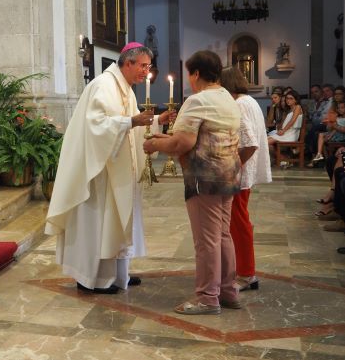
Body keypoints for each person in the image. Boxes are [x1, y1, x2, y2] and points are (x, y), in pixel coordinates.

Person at [45, 42, 173, 294]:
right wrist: (131, 121)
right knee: (98, 223)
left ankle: (117, 274)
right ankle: (92, 279)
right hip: (99, 174)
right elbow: (96, 126)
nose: (146, 71)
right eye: (143, 66)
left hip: (118, 171)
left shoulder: (126, 89)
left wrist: (158, 120)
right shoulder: (102, 85)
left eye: (148, 66)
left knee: (117, 221)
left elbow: (134, 125)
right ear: (128, 63)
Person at [143, 50, 241, 315]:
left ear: (196, 73)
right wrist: (165, 140)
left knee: (206, 240)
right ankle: (228, 291)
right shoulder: (228, 98)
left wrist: (154, 144)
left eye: (189, 74)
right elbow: (202, 137)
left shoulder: (198, 100)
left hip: (205, 177)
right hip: (229, 175)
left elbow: (183, 143)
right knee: (223, 235)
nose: (189, 79)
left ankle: (208, 297)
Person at [220, 66, 272, 292]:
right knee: (238, 221)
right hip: (243, 172)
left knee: (239, 223)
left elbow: (250, 143)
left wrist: (233, 167)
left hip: (239, 173)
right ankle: (240, 269)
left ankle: (246, 273)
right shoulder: (250, 101)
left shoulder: (239, 104)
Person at [267, 89, 303, 154]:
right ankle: (280, 157)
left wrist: (283, 131)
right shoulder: (289, 110)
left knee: (265, 143)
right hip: (285, 133)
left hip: (291, 134)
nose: (288, 100)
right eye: (287, 98)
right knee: (264, 141)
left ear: (296, 100)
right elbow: (281, 123)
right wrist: (280, 129)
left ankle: (281, 157)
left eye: (291, 98)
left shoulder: (298, 107)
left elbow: (292, 121)